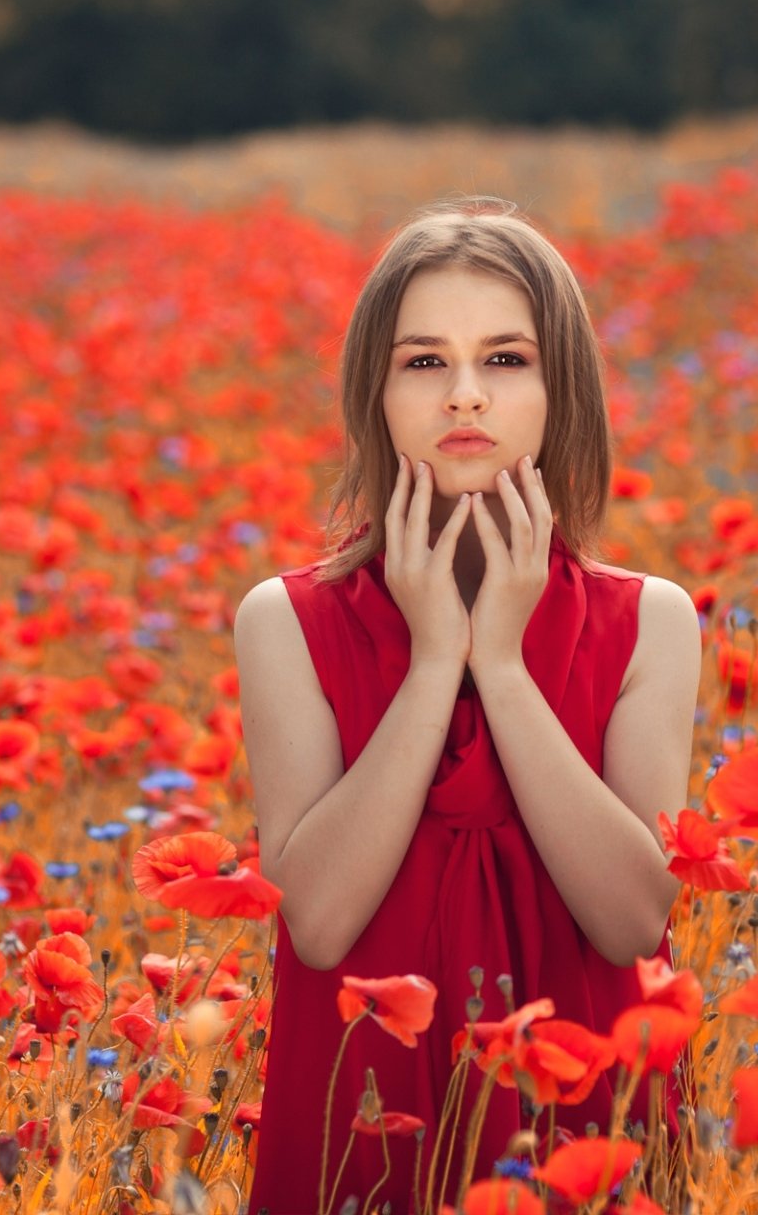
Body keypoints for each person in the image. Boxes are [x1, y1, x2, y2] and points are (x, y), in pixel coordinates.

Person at [233, 197, 701, 1214]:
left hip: (582, 1131)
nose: (463, 398)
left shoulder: (650, 622)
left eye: (504, 360)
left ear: (560, 389)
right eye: (422, 361)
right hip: (364, 1133)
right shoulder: (285, 621)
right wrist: (435, 654)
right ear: (376, 391)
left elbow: (629, 919)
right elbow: (318, 918)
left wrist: (505, 663)